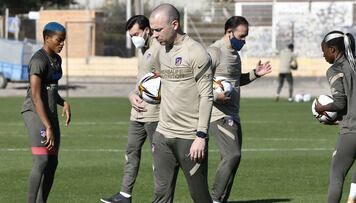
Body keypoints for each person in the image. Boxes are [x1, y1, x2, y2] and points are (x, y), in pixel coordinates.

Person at [149, 3, 214, 203]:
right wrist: (134, 94)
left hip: (190, 138)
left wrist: (201, 136)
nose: (154, 35)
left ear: (174, 24)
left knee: (200, 197)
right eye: (152, 30)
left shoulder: (196, 53)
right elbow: (153, 79)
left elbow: (206, 96)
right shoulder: (160, 50)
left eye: (158, 30)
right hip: (162, 136)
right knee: (160, 195)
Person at [206, 16, 271, 203]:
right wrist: (215, 95)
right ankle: (214, 199)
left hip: (233, 113)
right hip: (218, 114)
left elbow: (235, 81)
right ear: (229, 32)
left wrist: (254, 74)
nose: (243, 41)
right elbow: (198, 82)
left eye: (246, 37)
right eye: (241, 36)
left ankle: (220, 199)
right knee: (232, 155)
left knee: (233, 160)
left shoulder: (235, 54)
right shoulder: (214, 52)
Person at [100, 15, 160, 203]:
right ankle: (125, 195)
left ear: (147, 30)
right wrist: (131, 95)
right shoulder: (141, 50)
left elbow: (164, 82)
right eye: (131, 35)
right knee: (131, 152)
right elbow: (141, 80)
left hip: (155, 114)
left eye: (136, 34)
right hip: (137, 113)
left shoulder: (159, 49)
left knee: (159, 158)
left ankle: (161, 198)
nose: (134, 38)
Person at [21, 22, 71, 203]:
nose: (62, 44)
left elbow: (50, 89)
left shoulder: (57, 60)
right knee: (41, 160)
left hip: (49, 113)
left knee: (52, 163)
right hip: (34, 113)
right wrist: (48, 126)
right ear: (47, 38)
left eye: (64, 40)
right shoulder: (38, 61)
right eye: (59, 40)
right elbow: (35, 96)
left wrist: (63, 102)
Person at [314, 30, 356, 203]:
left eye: (324, 49)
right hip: (354, 121)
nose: (323, 54)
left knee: (337, 174)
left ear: (332, 50)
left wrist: (322, 108)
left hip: (353, 130)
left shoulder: (335, 69)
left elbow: (340, 103)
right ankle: (353, 196)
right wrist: (340, 118)